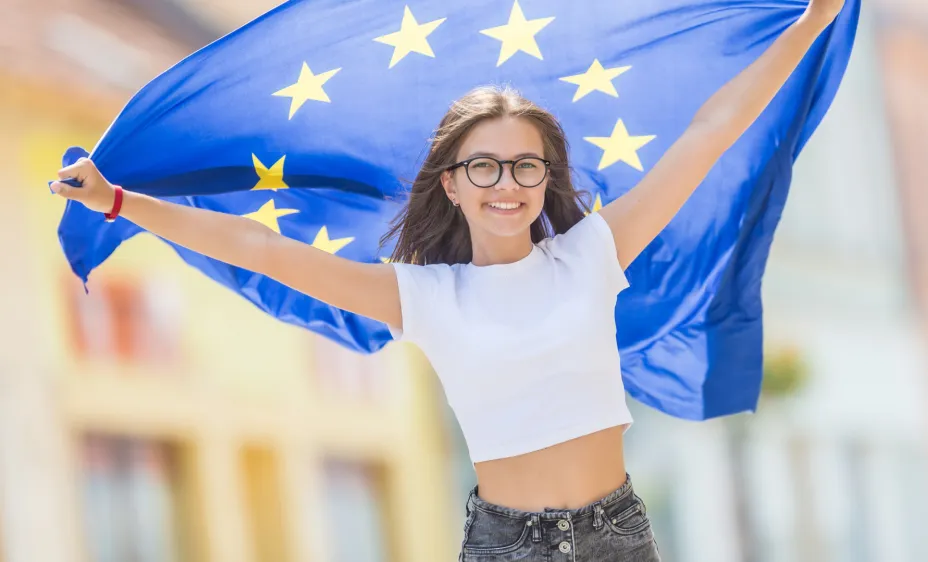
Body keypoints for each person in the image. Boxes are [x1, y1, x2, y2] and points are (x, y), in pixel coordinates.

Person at [51, 0, 844, 559]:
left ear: (548, 177)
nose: (508, 182)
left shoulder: (595, 252)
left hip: (617, 539)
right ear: (454, 184)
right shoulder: (424, 297)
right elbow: (260, 250)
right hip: (503, 547)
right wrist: (122, 203)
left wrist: (811, 21)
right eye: (485, 166)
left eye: (526, 164)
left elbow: (712, 127)